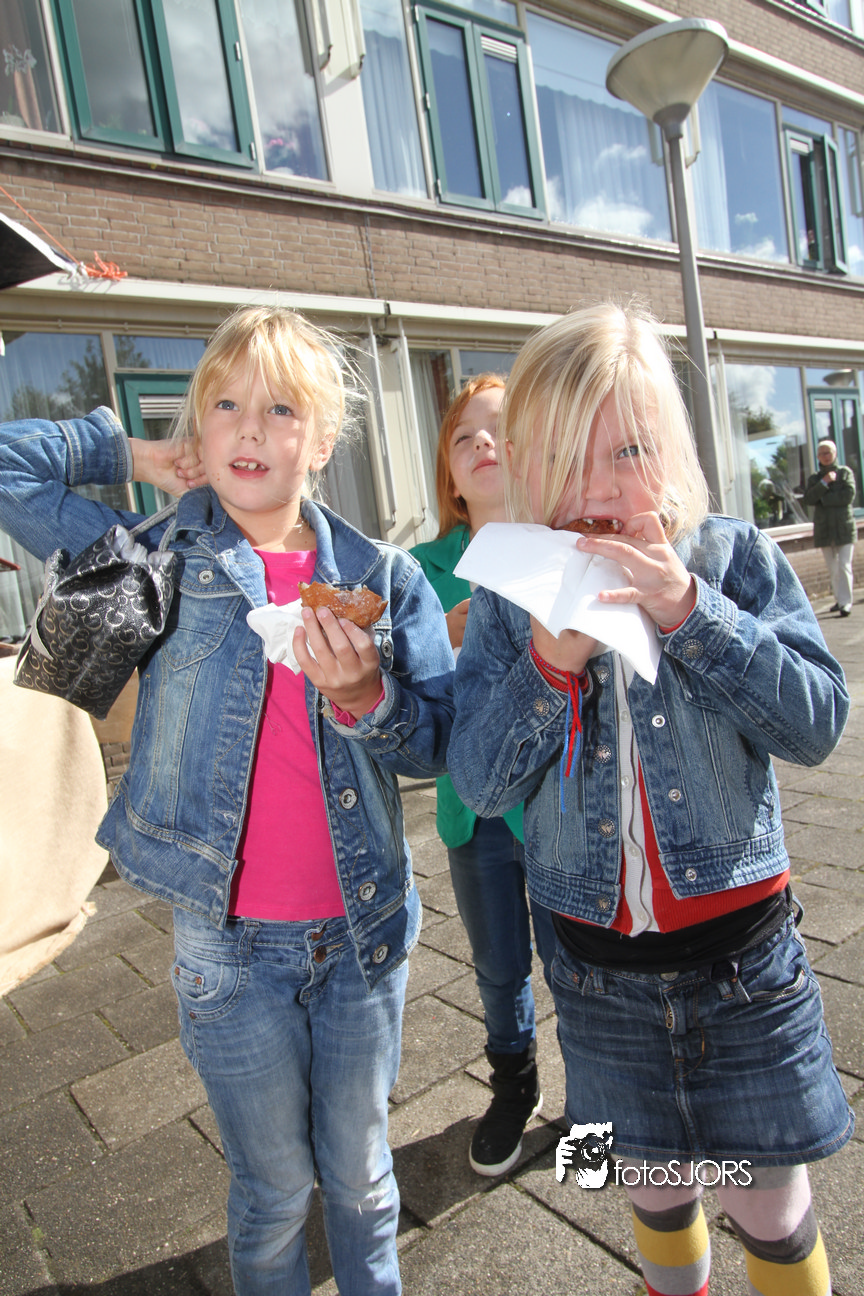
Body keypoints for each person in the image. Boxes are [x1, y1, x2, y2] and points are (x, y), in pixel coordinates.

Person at [0, 306, 455, 1296]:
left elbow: (439, 741)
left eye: (281, 410)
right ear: (198, 430)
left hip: (363, 932)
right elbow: (7, 465)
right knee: (273, 1192)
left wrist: (364, 696)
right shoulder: (152, 552)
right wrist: (130, 452)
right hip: (227, 949)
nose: (250, 429)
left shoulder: (383, 578)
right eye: (225, 406)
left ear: (322, 443)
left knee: (363, 1180)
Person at [447, 302, 853, 1296]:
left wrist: (691, 614)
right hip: (592, 979)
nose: (597, 488)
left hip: (749, 966)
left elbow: (816, 724)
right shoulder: (508, 591)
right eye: (565, 459)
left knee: (770, 1202)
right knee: (647, 1185)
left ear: (670, 453)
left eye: (627, 451)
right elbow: (479, 783)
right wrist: (548, 668)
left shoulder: (732, 557)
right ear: (526, 469)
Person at [410, 375, 555, 1177]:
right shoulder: (421, 570)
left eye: (500, 430)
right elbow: (405, 691)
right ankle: (514, 1083)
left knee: (581, 963)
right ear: (451, 477)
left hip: (565, 805)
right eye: (465, 438)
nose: (484, 444)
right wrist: (441, 632)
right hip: (474, 813)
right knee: (499, 964)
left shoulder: (565, 543)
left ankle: (596, 1102)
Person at [803, 438, 856, 616]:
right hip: (824, 529)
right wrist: (824, 483)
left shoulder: (845, 473)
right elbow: (809, 499)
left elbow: (848, 496)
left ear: (835, 454)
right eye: (822, 453)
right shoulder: (815, 478)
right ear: (818, 456)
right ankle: (839, 599)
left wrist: (824, 500)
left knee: (844, 565)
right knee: (833, 568)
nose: (825, 456)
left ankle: (846, 603)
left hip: (844, 527)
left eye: (828, 452)